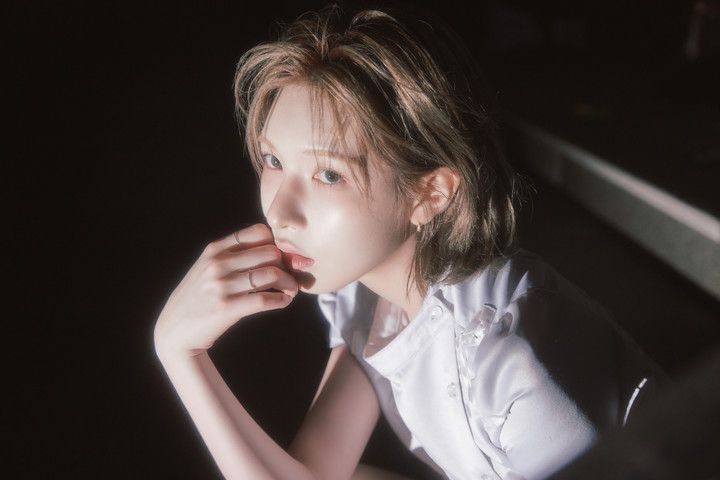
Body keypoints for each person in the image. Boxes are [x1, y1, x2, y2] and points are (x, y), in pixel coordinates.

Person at [153, 2, 663, 479]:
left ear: (430, 193)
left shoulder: (515, 357)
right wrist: (178, 350)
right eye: (274, 160)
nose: (280, 212)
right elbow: (314, 472)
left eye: (329, 174)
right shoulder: (368, 301)